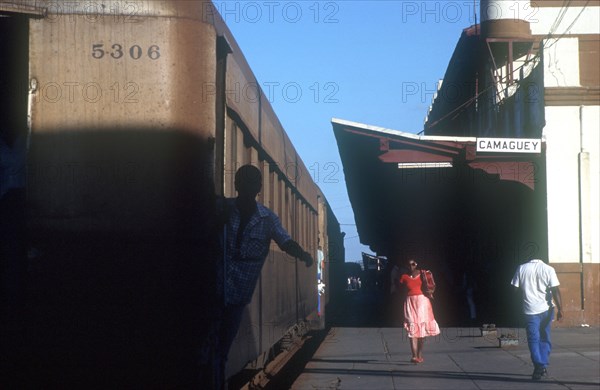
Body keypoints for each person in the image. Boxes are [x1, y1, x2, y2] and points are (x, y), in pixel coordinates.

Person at [214, 164, 313, 389]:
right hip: (215, 291)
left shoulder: (267, 219)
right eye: (245, 182)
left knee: (219, 349)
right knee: (214, 349)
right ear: (238, 185)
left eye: (251, 183)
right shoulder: (222, 208)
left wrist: (304, 255)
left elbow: (285, 242)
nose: (248, 187)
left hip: (237, 295)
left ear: (257, 188)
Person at [511, 258, 563, 381]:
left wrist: (526, 289)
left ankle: (538, 365)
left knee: (533, 339)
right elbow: (555, 289)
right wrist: (561, 309)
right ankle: (543, 365)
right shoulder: (549, 269)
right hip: (547, 310)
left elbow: (514, 288)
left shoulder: (521, 268)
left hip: (530, 310)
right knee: (545, 337)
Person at [399, 258, 440, 363]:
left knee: (421, 329)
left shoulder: (423, 274)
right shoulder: (404, 277)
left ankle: (419, 354)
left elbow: (430, 285)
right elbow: (401, 290)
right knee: (412, 328)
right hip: (410, 302)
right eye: (408, 265)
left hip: (422, 302)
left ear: (416, 264)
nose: (411, 266)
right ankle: (414, 356)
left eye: (413, 264)